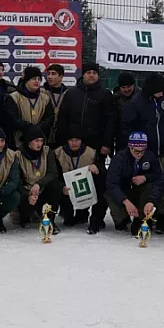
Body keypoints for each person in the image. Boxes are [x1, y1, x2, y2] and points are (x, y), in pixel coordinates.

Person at [55, 62, 115, 234]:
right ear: (83, 75)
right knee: (72, 178)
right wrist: (62, 141)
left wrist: (107, 143)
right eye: (88, 72)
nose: (91, 75)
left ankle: (95, 216)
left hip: (96, 146)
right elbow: (63, 118)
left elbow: (110, 120)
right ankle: (74, 212)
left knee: (96, 180)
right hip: (73, 144)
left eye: (94, 73)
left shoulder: (104, 94)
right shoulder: (72, 93)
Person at [106, 132, 162, 236]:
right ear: (130, 147)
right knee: (115, 205)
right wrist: (126, 202)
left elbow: (158, 175)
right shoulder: (119, 158)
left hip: (140, 191)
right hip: (123, 191)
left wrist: (145, 177)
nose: (139, 154)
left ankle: (142, 219)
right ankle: (122, 219)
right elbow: (111, 184)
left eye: (142, 151)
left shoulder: (150, 156)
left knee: (150, 187)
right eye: (136, 151)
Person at [121, 72, 164, 169]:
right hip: (144, 152)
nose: (161, 94)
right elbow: (127, 127)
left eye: (163, 91)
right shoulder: (136, 102)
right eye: (159, 91)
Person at [16, 125, 63, 231]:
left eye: (41, 141)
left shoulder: (47, 151)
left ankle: (50, 220)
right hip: (27, 191)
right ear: (29, 142)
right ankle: (24, 216)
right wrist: (28, 195)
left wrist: (39, 184)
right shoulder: (18, 155)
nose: (39, 144)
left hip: (42, 188)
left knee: (56, 185)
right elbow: (17, 180)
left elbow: (53, 173)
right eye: (36, 141)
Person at [54, 125, 101, 227]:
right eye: (71, 140)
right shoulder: (58, 153)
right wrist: (61, 187)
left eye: (77, 140)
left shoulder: (91, 152)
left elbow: (101, 171)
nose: (74, 143)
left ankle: (84, 215)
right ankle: (67, 215)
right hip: (66, 187)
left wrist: (97, 168)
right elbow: (54, 175)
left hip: (84, 187)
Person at [6, 66, 54, 150]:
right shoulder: (14, 97)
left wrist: (38, 129)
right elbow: (13, 118)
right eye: (34, 78)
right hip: (19, 142)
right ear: (26, 80)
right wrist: (29, 128)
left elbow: (49, 118)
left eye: (39, 79)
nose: (37, 81)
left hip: (39, 141)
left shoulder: (45, 98)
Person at [112, 72, 140, 152]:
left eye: (129, 86)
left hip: (138, 139)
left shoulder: (141, 98)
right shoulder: (115, 99)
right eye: (123, 87)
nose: (127, 90)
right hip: (121, 140)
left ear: (133, 85)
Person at [42, 63, 68, 148]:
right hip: (44, 135)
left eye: (53, 74)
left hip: (62, 136)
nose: (49, 77)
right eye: (48, 74)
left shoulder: (68, 94)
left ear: (61, 77)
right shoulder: (41, 92)